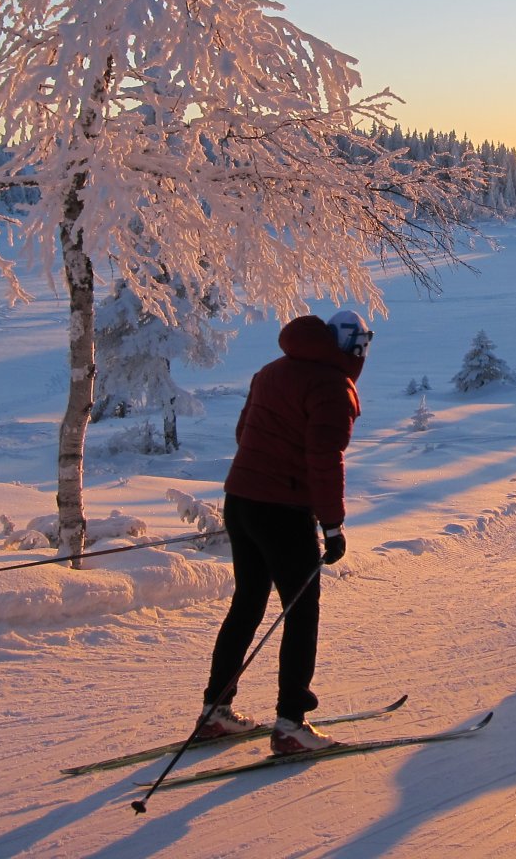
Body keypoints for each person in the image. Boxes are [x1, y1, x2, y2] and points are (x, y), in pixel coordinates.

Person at [196, 309, 373, 755]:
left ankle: (214, 713)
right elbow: (325, 461)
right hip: (284, 510)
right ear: (347, 346)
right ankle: (291, 724)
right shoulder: (331, 386)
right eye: (362, 344)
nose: (363, 353)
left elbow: (243, 433)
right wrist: (332, 526)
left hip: (240, 501)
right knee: (301, 612)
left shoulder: (272, 371)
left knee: (248, 604)